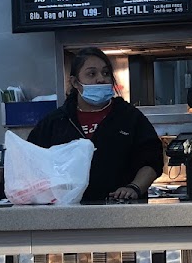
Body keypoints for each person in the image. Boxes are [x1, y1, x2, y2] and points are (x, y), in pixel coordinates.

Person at [28, 47, 162, 202]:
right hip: (66, 211)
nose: (101, 79)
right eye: (92, 74)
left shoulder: (129, 117)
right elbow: (32, 163)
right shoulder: (56, 122)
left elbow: (152, 160)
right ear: (75, 82)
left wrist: (134, 188)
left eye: (105, 73)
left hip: (122, 209)